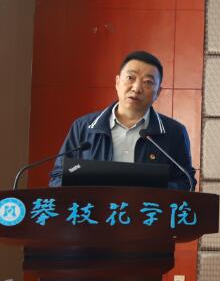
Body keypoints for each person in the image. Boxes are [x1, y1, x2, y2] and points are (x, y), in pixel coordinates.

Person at [49, 50, 196, 191]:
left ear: (158, 92)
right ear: (117, 82)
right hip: (95, 208)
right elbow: (58, 177)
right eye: (130, 78)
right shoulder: (83, 127)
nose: (136, 88)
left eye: (148, 82)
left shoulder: (174, 132)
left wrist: (150, 192)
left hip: (147, 208)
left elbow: (186, 182)